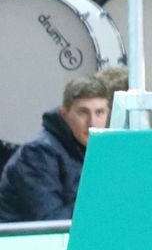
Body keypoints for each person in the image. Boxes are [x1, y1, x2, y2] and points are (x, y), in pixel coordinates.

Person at [0, 74, 112, 223]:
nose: (92, 122)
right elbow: (52, 222)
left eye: (99, 112)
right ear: (64, 115)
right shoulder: (37, 153)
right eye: (83, 112)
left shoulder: (96, 150)